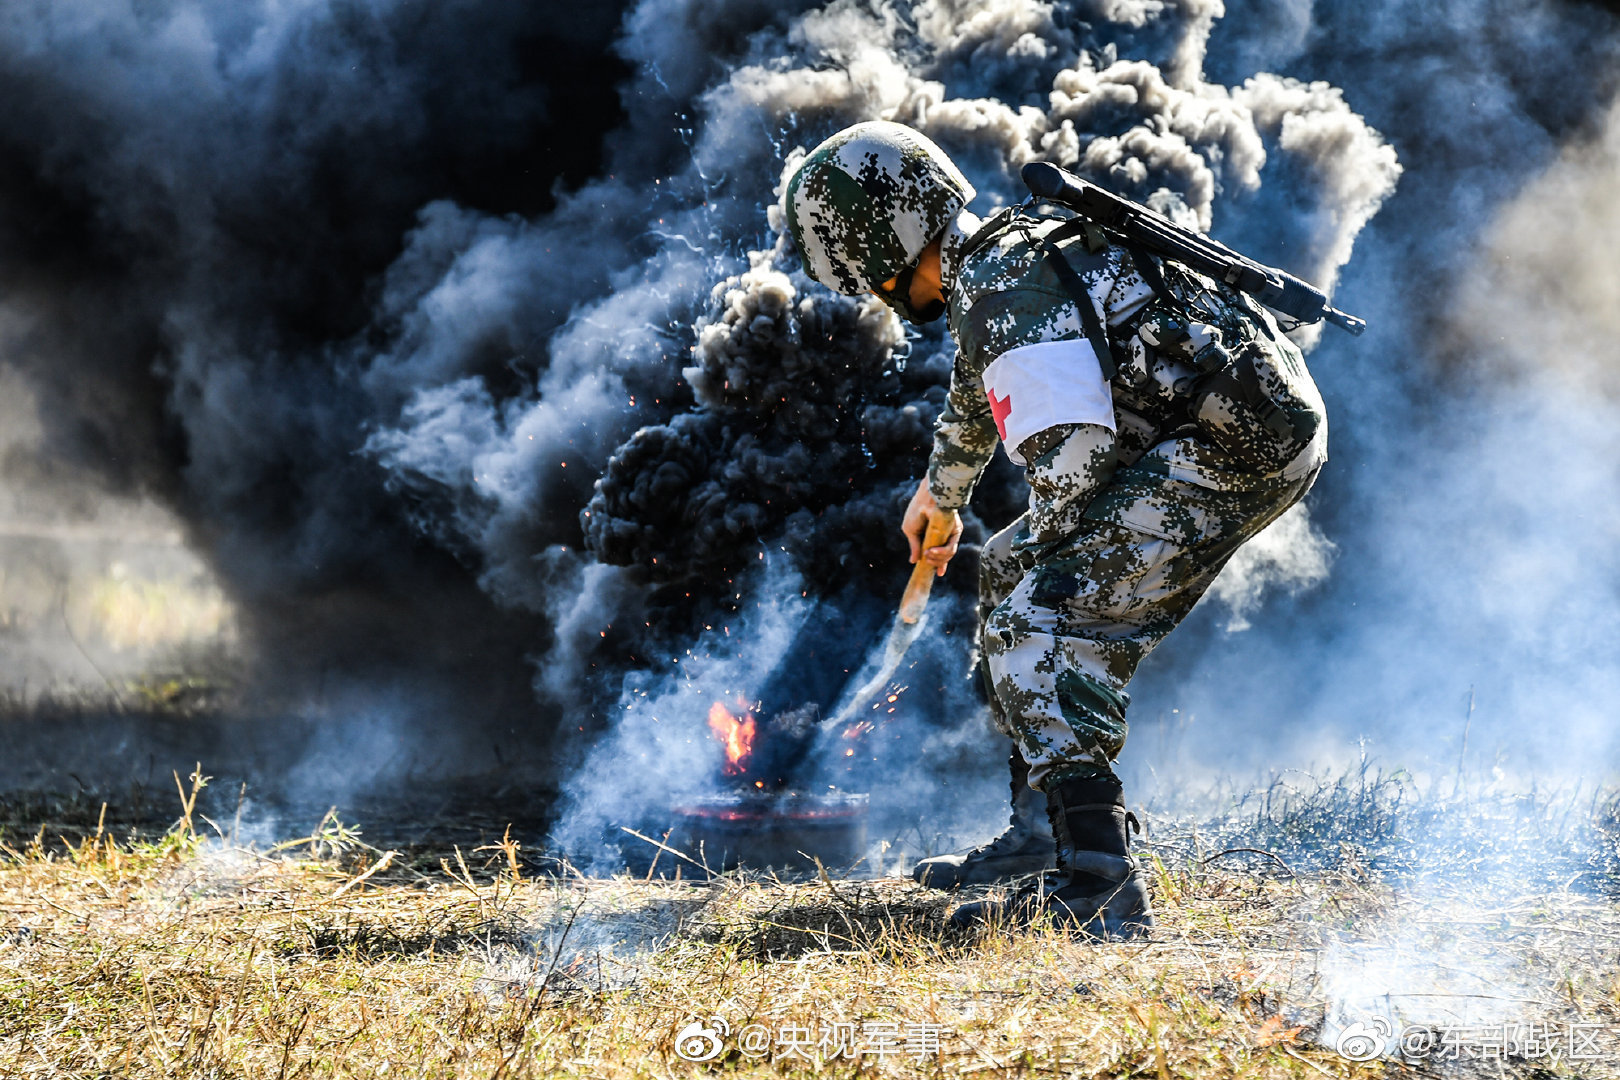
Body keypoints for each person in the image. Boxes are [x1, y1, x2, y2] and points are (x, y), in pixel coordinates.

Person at [783, 121, 1326, 937]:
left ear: (881, 256)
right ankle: (1041, 838)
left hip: (1235, 448)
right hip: (1249, 427)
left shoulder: (1001, 290)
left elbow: (1075, 465)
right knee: (1008, 568)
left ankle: (1100, 878)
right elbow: (978, 386)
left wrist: (1044, 588)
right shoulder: (1004, 255)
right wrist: (942, 495)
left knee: (1036, 620)